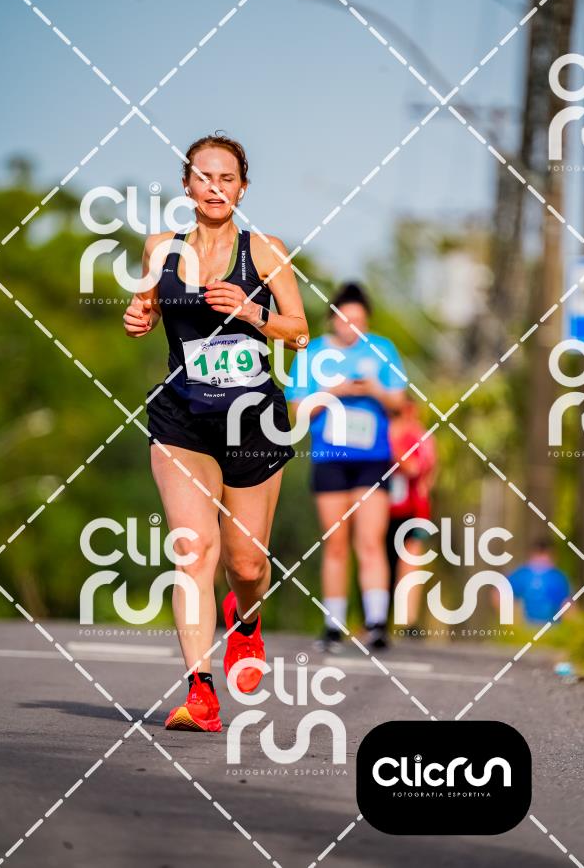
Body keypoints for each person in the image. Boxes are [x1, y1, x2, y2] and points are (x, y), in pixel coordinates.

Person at [123, 133, 308, 731]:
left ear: (242, 189)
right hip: (182, 420)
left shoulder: (266, 251)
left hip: (253, 422)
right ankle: (200, 692)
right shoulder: (162, 248)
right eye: (203, 177)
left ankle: (246, 622)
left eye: (226, 178)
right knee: (193, 549)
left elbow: (300, 331)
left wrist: (252, 312)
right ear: (187, 185)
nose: (215, 188)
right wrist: (139, 314)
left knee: (247, 566)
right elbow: (146, 306)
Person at [285, 282, 406, 651]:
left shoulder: (382, 349)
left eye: (359, 322)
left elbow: (399, 404)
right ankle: (333, 623)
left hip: (372, 458)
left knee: (370, 541)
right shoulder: (313, 353)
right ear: (332, 319)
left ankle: (376, 623)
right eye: (345, 320)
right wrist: (334, 392)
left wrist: (373, 390)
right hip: (330, 458)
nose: (352, 328)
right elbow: (298, 410)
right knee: (336, 543)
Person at [386, 393, 437, 633]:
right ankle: (377, 618)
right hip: (383, 509)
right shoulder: (382, 430)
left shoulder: (420, 436)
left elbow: (419, 468)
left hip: (413, 510)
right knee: (382, 561)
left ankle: (408, 621)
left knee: (410, 563)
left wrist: (394, 452)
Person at [507, 540, 570, 624]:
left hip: (552, 626)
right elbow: (498, 594)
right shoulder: (522, 575)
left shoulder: (557, 577)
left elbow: (566, 603)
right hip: (527, 627)